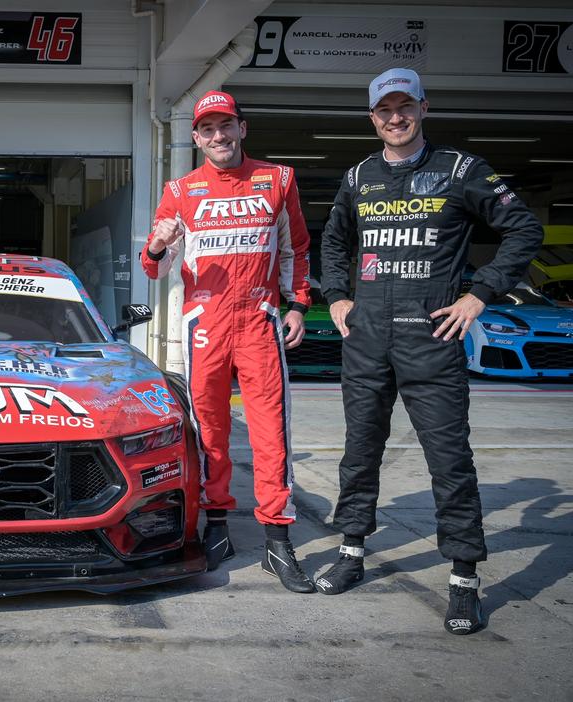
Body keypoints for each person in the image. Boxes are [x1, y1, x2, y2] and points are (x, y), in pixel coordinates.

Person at [318, 68, 543, 633]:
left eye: (405, 106)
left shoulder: (461, 169)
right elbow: (334, 239)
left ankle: (464, 578)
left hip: (433, 337)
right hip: (367, 339)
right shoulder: (358, 175)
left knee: (449, 460)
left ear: (423, 108)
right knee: (359, 450)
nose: (395, 118)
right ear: (372, 118)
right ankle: (351, 552)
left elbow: (523, 229)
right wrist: (337, 295)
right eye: (384, 110)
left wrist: (480, 296)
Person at [141, 90, 315, 593]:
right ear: (196, 138)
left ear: (242, 128)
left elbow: (296, 248)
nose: (218, 136)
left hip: (260, 322)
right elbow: (155, 266)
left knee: (270, 434)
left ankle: (278, 540)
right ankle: (215, 525)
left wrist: (298, 304)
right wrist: (156, 243)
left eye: (226, 126)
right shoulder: (181, 189)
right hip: (206, 326)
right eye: (208, 129)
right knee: (209, 430)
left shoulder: (278, 179)